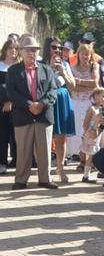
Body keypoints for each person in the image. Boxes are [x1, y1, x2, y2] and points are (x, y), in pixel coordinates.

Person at [6, 34, 58, 190]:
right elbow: (11, 92)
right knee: (23, 150)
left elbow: (53, 90)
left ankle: (45, 179)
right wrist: (29, 104)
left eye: (35, 50)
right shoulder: (13, 70)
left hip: (43, 114)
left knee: (45, 150)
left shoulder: (47, 69)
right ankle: (21, 180)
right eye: (28, 50)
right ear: (21, 52)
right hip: (23, 115)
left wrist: (41, 104)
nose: (32, 53)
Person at [43, 36, 77, 183]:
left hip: (62, 100)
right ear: (47, 48)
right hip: (47, 101)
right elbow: (41, 85)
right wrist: (50, 68)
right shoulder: (40, 64)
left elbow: (72, 86)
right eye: (54, 47)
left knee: (61, 137)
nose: (57, 50)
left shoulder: (65, 64)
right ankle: (46, 170)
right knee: (45, 137)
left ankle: (60, 169)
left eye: (59, 47)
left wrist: (63, 71)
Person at [70, 43, 101, 163]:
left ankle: (90, 160)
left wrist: (77, 81)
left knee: (90, 129)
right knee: (78, 131)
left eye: (87, 54)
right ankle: (81, 159)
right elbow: (72, 88)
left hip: (90, 102)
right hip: (76, 102)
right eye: (83, 54)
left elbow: (95, 83)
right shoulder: (72, 68)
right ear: (78, 54)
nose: (85, 57)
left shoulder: (94, 66)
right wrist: (86, 85)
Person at [0, 39, 20, 173]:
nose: (13, 51)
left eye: (15, 48)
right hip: (1, 106)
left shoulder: (19, 67)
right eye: (10, 48)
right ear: (5, 49)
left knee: (17, 136)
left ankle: (18, 161)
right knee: (2, 134)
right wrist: (4, 102)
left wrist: (12, 101)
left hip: (17, 106)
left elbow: (21, 88)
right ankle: (2, 162)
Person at [80, 87, 104, 183]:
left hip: (101, 135)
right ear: (96, 97)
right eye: (103, 96)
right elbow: (85, 123)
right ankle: (86, 176)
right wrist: (87, 134)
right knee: (91, 155)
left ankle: (102, 171)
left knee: (100, 153)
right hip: (93, 134)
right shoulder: (92, 109)